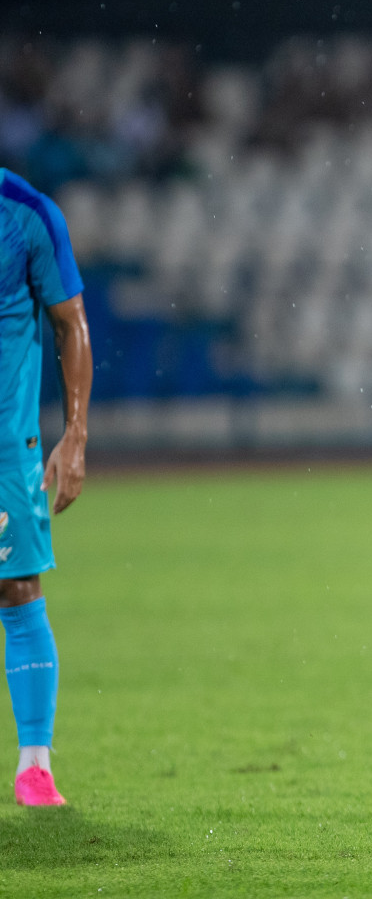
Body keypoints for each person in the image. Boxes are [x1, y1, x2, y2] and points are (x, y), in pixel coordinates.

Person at [0, 169, 91, 807]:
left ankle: (35, 765)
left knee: (16, 586)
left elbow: (71, 324)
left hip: (6, 445)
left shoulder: (28, 215)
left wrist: (75, 434)